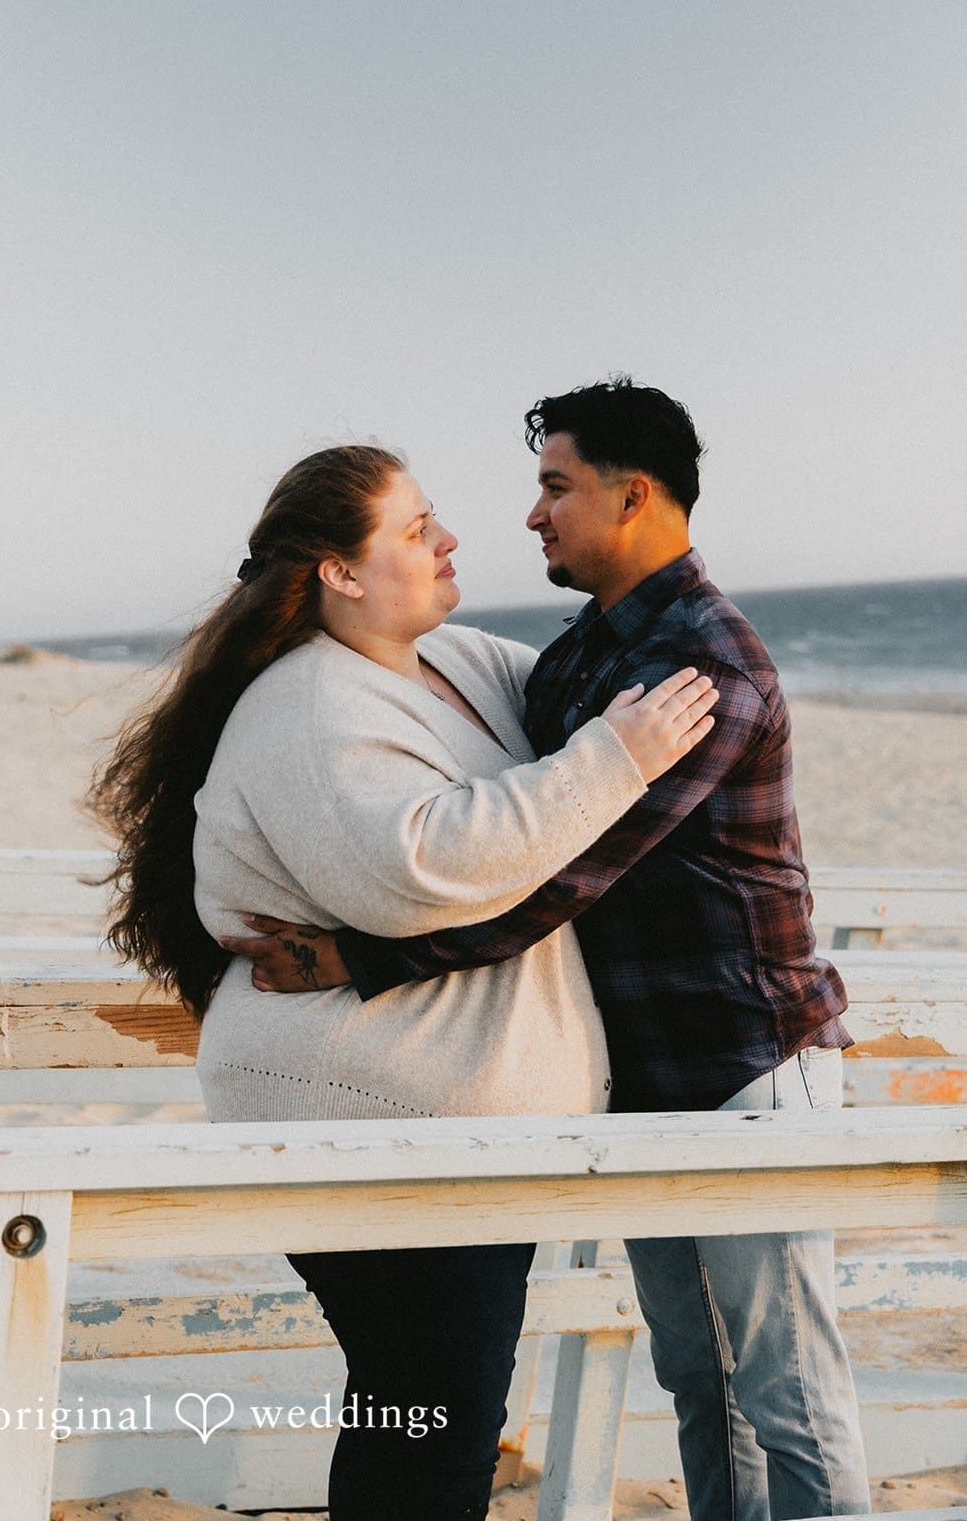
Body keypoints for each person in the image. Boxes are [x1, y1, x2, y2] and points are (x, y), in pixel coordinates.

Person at [225, 385, 872, 1521]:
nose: (531, 516)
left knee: (787, 1384)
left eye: (555, 487)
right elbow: (495, 816)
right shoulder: (576, 659)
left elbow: (559, 881)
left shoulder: (700, 667)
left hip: (747, 1059)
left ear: (634, 496)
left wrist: (355, 960)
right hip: (654, 1074)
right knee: (701, 1375)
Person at [89, 442, 717, 1521]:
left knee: (423, 1402)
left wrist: (680, 641)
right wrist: (618, 759)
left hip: (445, 1110)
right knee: (436, 1410)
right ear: (339, 570)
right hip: (370, 1109)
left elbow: (576, 698)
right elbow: (418, 866)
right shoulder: (305, 703)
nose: (449, 538)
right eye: (416, 527)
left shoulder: (460, 662)